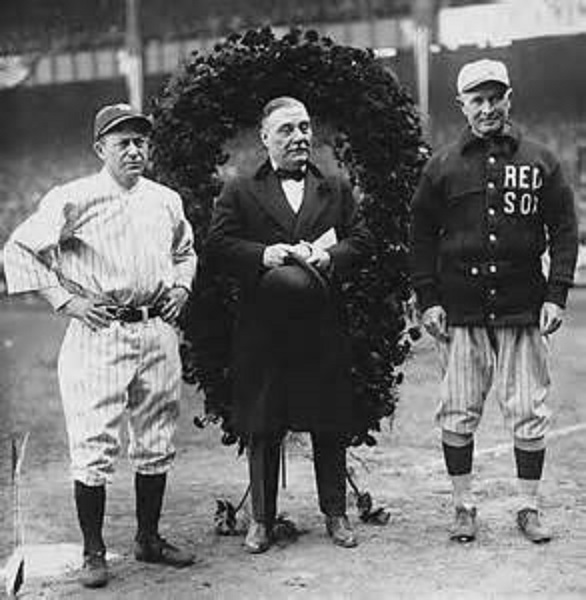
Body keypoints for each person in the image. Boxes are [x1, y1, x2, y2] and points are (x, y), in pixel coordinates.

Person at [3, 103, 197, 588]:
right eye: (122, 142)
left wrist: (181, 287)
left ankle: (148, 539)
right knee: (93, 445)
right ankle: (93, 551)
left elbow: (185, 251)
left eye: (140, 141)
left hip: (155, 327)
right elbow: (19, 249)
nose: (134, 149)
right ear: (100, 149)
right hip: (99, 331)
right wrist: (65, 301)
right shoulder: (75, 197)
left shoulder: (166, 199)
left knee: (156, 439)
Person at [411, 59, 578, 544]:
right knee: (458, 410)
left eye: (494, 98)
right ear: (461, 105)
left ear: (509, 98)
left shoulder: (541, 159)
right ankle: (463, 505)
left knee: (528, 410)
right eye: (476, 100)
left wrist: (557, 294)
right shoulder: (441, 164)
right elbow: (420, 235)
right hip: (460, 311)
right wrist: (428, 298)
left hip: (523, 307)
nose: (486, 109)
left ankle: (528, 505)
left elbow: (564, 231)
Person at [205, 96, 374, 553]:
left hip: (322, 327)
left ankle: (335, 515)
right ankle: (261, 519)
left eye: (304, 128)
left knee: (330, 421)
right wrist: (263, 255)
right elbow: (218, 244)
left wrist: (329, 256)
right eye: (286, 130)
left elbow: (362, 241)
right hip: (265, 331)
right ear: (265, 138)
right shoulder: (239, 188)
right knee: (264, 423)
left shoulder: (335, 187)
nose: (299, 137)